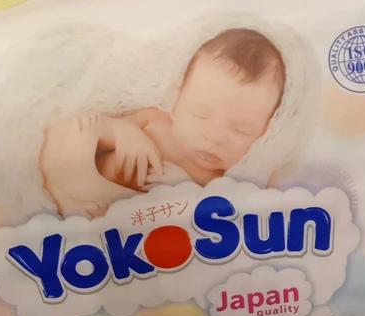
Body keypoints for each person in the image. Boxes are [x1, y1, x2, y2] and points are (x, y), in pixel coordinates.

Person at [40, 28, 286, 217]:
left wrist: (185, 189)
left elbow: (217, 217)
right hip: (85, 170)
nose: (214, 136)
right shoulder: (154, 120)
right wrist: (125, 133)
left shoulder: (217, 183)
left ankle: (76, 194)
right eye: (200, 114)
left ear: (265, 131)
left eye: (241, 130)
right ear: (178, 99)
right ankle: (67, 186)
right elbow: (101, 133)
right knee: (77, 127)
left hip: (120, 214)